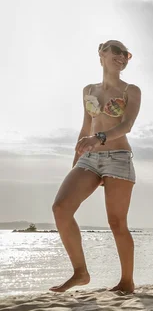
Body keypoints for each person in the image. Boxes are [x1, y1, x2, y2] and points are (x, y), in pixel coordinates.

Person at [51, 40, 141, 293]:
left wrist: (98, 138)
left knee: (116, 222)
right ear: (101, 53)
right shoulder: (88, 90)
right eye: (117, 51)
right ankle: (80, 273)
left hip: (119, 157)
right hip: (89, 158)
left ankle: (126, 281)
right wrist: (77, 158)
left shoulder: (131, 90)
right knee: (61, 208)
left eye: (126, 54)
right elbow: (84, 127)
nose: (122, 57)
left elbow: (127, 126)